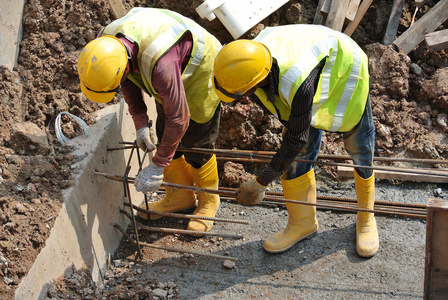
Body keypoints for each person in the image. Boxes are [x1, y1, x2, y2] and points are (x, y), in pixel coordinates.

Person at [212, 24, 378, 257]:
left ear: (253, 83)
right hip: (312, 67)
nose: (238, 101)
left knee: (359, 146)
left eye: (239, 95)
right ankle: (303, 223)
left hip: (346, 69)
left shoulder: (296, 82)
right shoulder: (253, 59)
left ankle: (366, 216)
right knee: (298, 154)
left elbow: (295, 140)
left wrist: (261, 183)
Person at [77, 7, 222, 234]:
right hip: (170, 62)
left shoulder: (160, 67)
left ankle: (208, 202)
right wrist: (141, 123)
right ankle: (181, 196)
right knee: (166, 131)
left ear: (124, 66)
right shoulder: (106, 47)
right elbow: (126, 81)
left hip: (202, 69)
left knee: (197, 142)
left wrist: (157, 166)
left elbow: (180, 119)